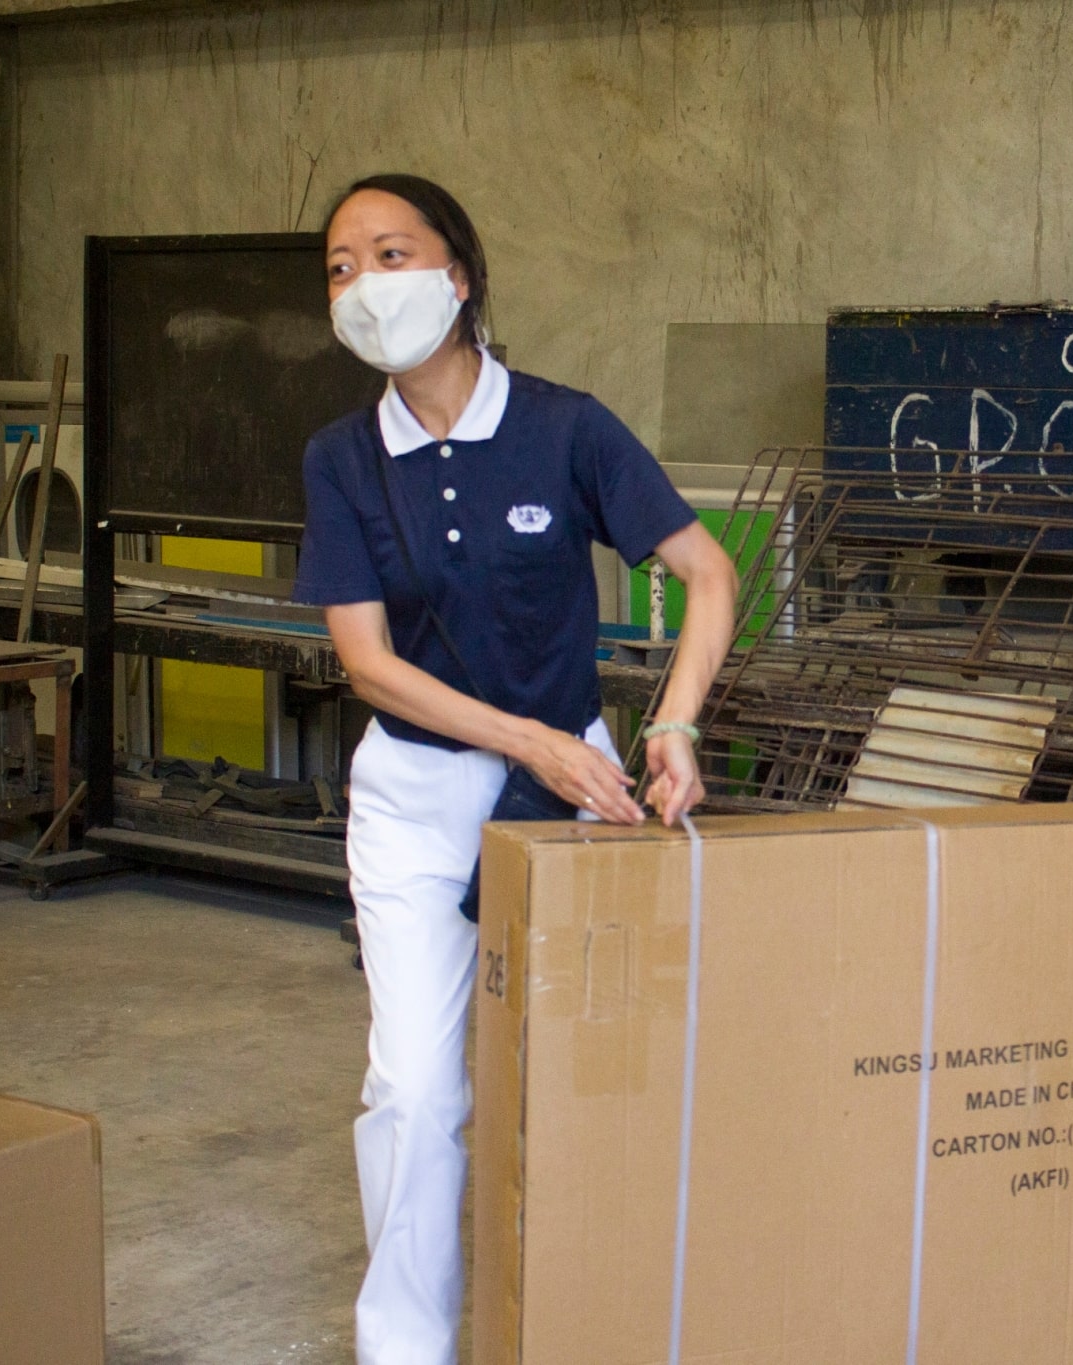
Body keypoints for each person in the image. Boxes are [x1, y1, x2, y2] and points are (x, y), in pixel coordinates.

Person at [292, 173, 738, 1365]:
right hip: (422, 796)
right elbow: (369, 666)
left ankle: (609, 1322)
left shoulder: (562, 426)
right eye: (342, 267)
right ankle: (405, 1351)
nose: (366, 284)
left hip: (574, 795)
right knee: (420, 1094)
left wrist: (675, 725)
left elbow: (708, 574)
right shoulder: (343, 458)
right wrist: (527, 738)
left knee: (602, 1075)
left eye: (392, 253)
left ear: (460, 273)